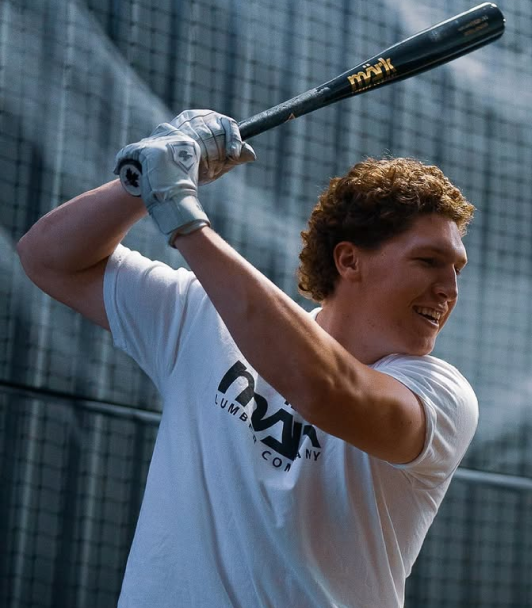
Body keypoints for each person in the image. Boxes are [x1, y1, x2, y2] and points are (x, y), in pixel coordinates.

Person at [16, 110, 478, 607]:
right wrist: (141, 180)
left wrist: (180, 211)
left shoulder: (441, 395)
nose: (449, 289)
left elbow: (324, 388)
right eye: (429, 261)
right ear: (349, 261)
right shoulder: (200, 315)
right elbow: (47, 257)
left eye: (456, 269)